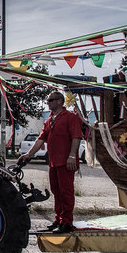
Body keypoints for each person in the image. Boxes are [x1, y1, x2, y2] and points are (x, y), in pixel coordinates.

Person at [20, 91, 83, 233]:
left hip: (66, 162)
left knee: (66, 192)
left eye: (51, 100)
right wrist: (28, 154)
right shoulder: (49, 120)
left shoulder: (70, 118)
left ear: (60, 101)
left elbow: (76, 137)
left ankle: (66, 222)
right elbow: (41, 139)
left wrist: (72, 156)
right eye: (47, 101)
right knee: (56, 191)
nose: (48, 103)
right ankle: (59, 219)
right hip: (54, 162)